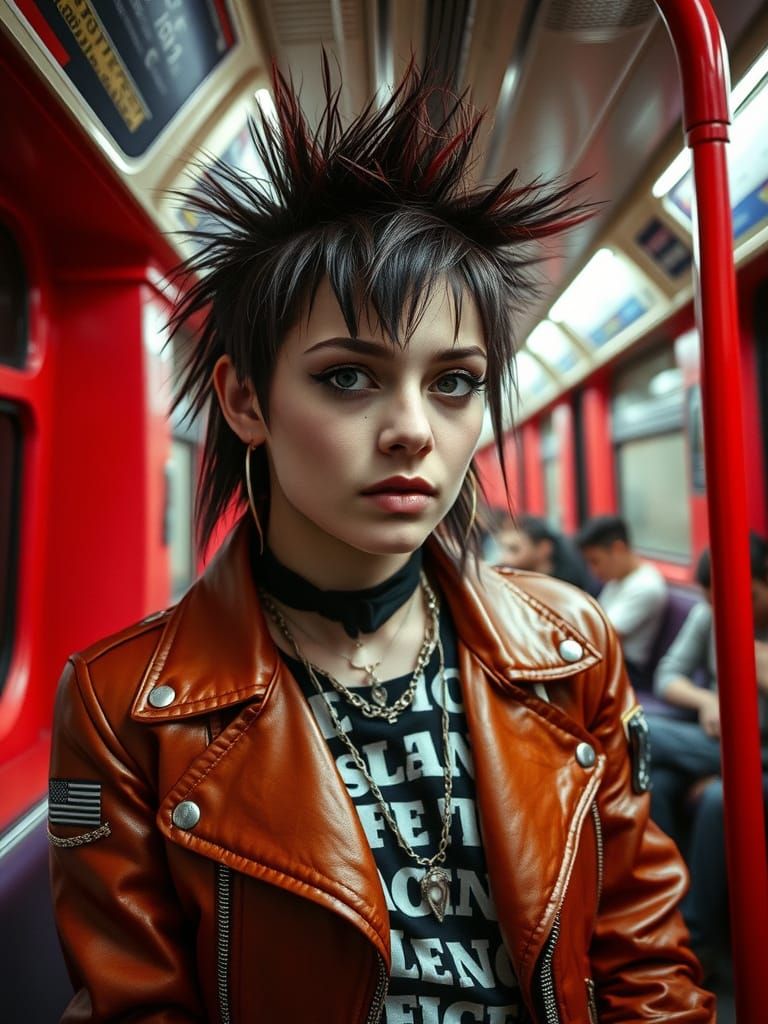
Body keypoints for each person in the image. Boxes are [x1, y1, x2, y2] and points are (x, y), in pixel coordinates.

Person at [48, 63, 713, 1023]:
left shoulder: (570, 650)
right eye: (349, 378)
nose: (414, 430)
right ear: (245, 400)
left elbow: (643, 958)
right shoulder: (127, 707)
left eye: (454, 383)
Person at [647, 538, 768, 972]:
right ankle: (665, 911)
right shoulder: (711, 614)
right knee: (655, 777)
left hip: (760, 750)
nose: (732, 609)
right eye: (715, 601)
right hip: (718, 741)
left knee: (642, 735)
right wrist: (706, 701)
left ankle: (697, 939)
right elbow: (669, 676)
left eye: (747, 597)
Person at [576, 515, 668, 688]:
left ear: (618, 549)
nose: (593, 571)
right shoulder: (617, 578)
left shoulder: (646, 586)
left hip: (626, 669)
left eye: (595, 561)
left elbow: (604, 635)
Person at [495, 512, 598, 593]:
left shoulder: (568, 590)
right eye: (503, 549)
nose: (505, 558)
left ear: (544, 548)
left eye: (514, 550)